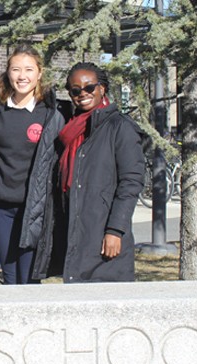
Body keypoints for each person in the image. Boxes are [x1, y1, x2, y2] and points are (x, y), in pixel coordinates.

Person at [0, 45, 66, 284]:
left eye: (28, 69)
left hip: (34, 209)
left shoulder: (51, 114)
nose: (22, 76)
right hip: (1, 206)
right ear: (8, 72)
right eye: (16, 69)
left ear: (39, 73)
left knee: (29, 276)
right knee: (9, 273)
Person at [58, 62, 145, 282]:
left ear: (102, 88)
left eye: (89, 88)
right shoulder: (71, 129)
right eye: (75, 90)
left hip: (105, 230)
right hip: (77, 228)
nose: (83, 94)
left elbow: (131, 182)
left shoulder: (120, 127)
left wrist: (115, 230)